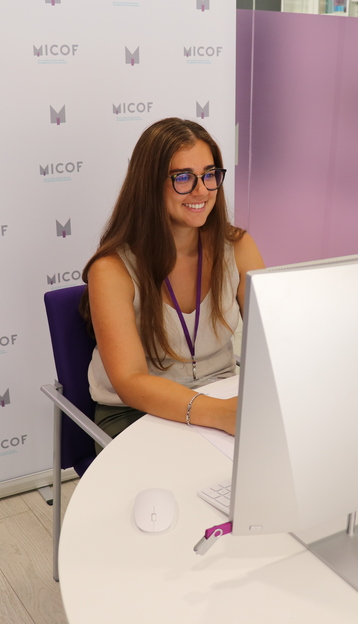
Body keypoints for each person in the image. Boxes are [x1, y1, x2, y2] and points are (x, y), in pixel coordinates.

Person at [80, 118, 265, 445]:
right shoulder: (111, 269)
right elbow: (130, 381)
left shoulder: (238, 247)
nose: (202, 190)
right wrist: (219, 414)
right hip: (135, 413)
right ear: (149, 185)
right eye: (183, 177)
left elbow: (274, 338)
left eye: (210, 174)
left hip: (221, 394)